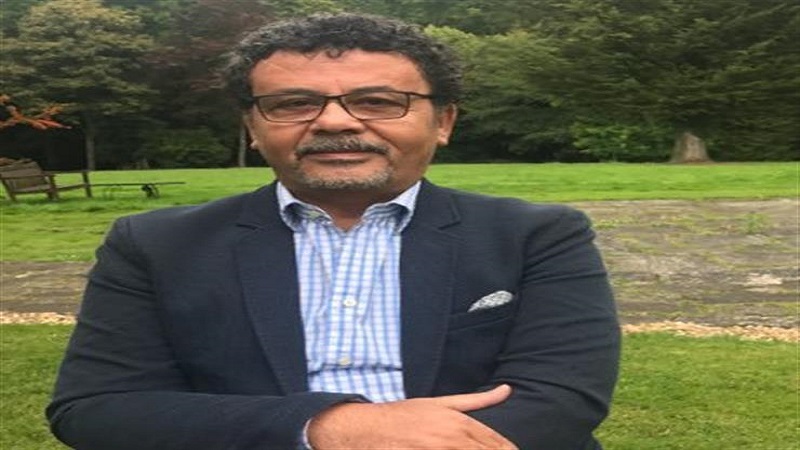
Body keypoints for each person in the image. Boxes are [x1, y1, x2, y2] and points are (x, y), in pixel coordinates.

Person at [47, 13, 620, 450]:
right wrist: (326, 427)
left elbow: (560, 398)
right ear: (253, 128)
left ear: (442, 121)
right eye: (293, 103)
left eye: (378, 102)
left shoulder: (536, 235)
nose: (335, 121)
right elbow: (98, 408)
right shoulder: (155, 246)